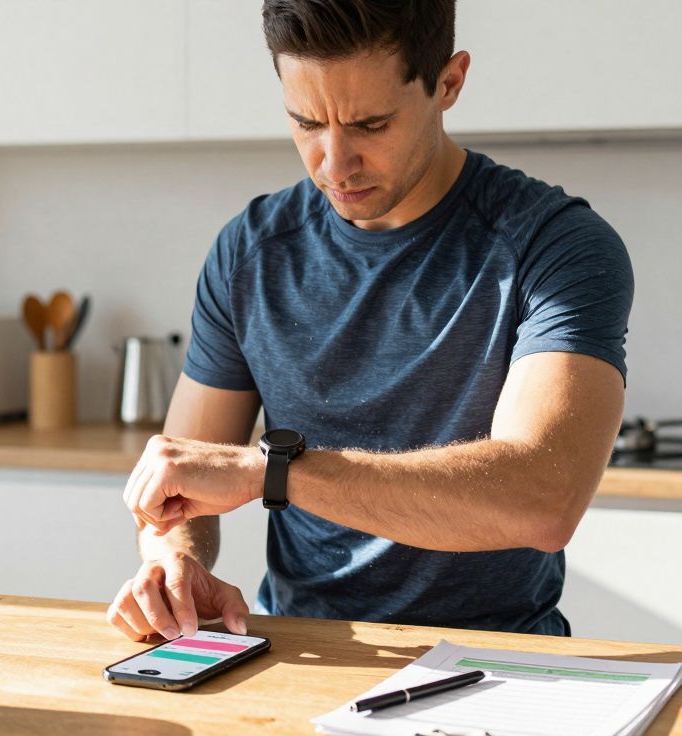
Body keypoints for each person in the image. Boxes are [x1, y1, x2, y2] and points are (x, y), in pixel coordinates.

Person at [107, 0, 633, 643]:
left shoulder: (552, 244)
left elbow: (541, 498)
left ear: (449, 82)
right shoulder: (249, 254)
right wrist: (175, 561)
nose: (333, 163)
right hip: (304, 649)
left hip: (499, 658)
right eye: (305, 122)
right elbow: (180, 488)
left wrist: (271, 473)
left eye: (371, 124)